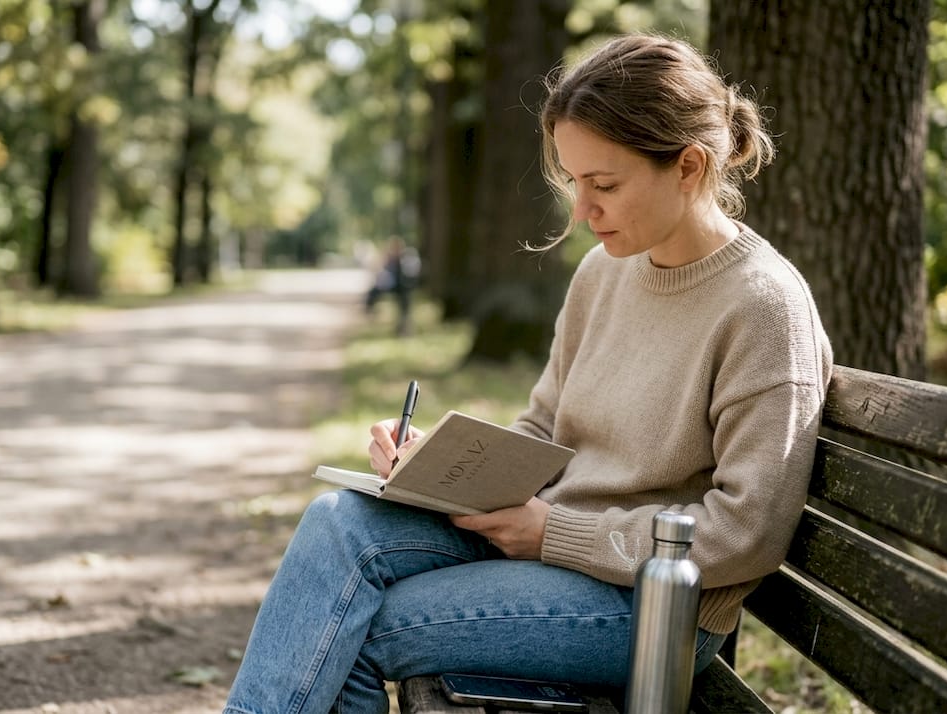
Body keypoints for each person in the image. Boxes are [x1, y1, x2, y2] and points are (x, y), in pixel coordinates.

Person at [223, 32, 832, 714]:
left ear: (688, 166)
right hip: (551, 548)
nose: (581, 211)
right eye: (574, 182)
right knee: (339, 522)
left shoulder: (762, 307)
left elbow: (745, 533)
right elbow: (543, 427)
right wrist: (443, 466)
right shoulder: (603, 272)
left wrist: (554, 533)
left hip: (652, 608)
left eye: (604, 185)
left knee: (356, 624)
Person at [364, 237, 421, 336]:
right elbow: (379, 272)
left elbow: (412, 274)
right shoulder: (389, 259)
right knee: (372, 292)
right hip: (391, 286)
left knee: (405, 300)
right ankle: (370, 310)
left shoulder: (406, 258)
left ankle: (404, 326)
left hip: (403, 287)